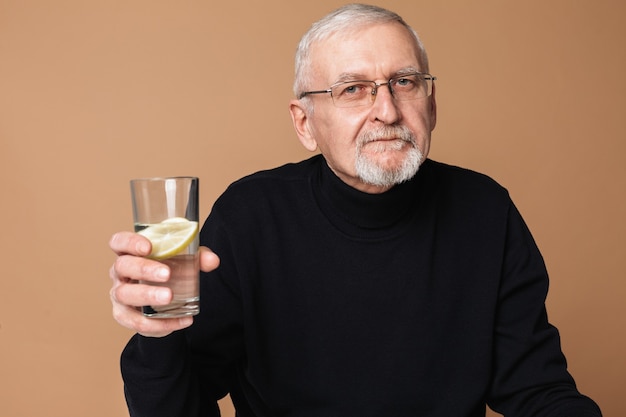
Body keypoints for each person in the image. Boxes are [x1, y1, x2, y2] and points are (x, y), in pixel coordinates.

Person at [109, 4, 602, 416]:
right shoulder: (250, 215)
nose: (387, 110)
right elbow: (180, 404)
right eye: (353, 89)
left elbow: (537, 390)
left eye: (404, 82)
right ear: (305, 124)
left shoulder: (485, 210)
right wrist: (157, 332)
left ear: (431, 105)